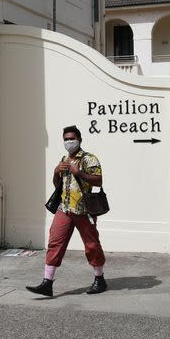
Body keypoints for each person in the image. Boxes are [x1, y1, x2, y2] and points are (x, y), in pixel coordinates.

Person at [26, 125, 107, 297]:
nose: (69, 142)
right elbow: (58, 185)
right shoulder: (63, 158)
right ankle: (47, 283)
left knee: (91, 245)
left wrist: (80, 172)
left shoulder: (89, 159)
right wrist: (56, 172)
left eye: (72, 138)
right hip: (64, 208)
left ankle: (99, 279)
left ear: (80, 139)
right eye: (66, 139)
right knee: (55, 242)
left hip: (83, 210)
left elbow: (98, 181)